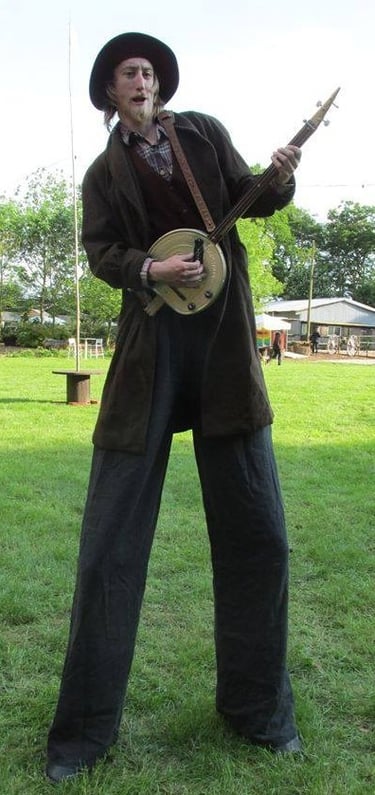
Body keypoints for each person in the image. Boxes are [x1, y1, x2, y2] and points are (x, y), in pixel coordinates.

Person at [46, 32, 303, 783]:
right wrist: (148, 266)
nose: (142, 78)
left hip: (223, 350)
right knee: (108, 547)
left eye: (149, 70)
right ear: (108, 93)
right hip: (149, 352)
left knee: (262, 535)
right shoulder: (103, 172)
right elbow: (101, 252)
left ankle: (257, 711)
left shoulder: (202, 134)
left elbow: (250, 198)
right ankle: (84, 735)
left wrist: (278, 178)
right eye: (128, 72)